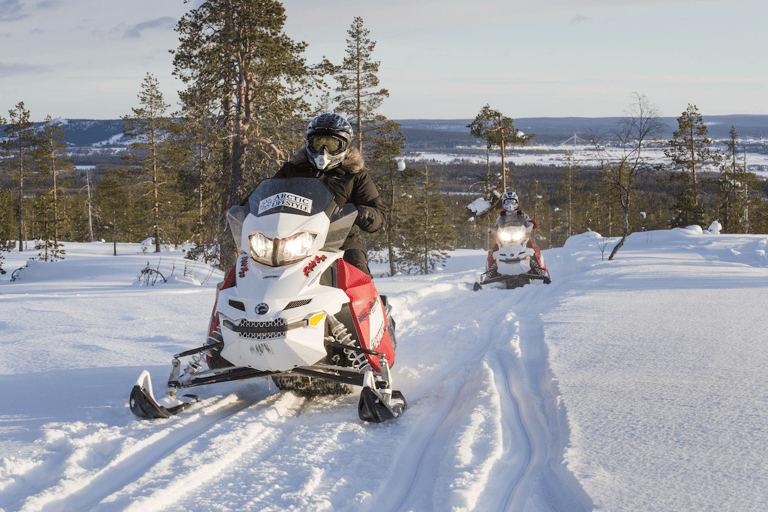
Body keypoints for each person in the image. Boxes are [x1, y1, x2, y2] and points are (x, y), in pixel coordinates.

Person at [271, 113, 385, 276]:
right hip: (291, 241)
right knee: (249, 269)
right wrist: (243, 209)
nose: (323, 151)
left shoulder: (354, 175)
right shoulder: (292, 170)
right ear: (309, 143)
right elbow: (264, 195)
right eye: (318, 143)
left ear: (345, 146)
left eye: (332, 144)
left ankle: (369, 302)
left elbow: (378, 214)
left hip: (341, 242)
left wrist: (364, 214)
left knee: (358, 280)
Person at [486, 191, 547, 276]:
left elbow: (528, 221)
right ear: (504, 203)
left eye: (513, 201)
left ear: (516, 202)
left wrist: (532, 223)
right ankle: (490, 273)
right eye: (507, 202)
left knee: (532, 247)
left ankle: (539, 269)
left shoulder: (522, 214)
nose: (510, 204)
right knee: (494, 249)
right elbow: (497, 225)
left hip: (520, 236)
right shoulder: (501, 215)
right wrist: (492, 229)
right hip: (505, 237)